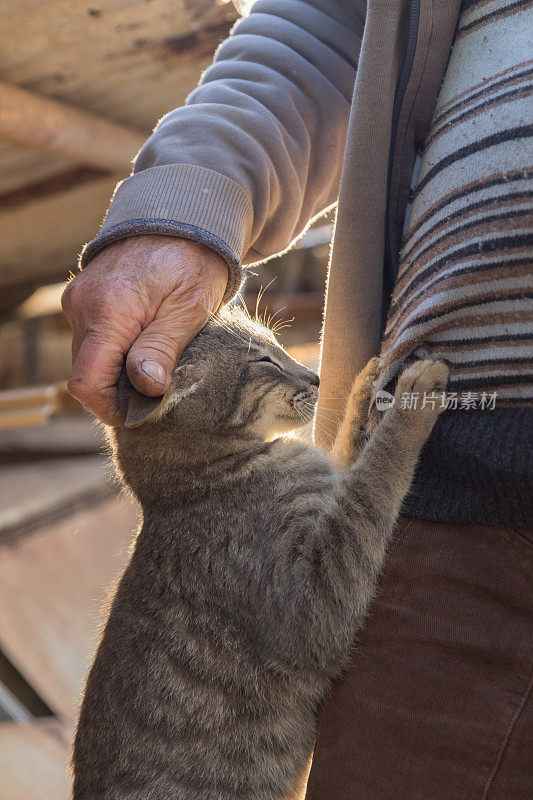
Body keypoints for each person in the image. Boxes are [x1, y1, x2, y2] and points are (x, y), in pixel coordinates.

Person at [62, 1, 533, 797]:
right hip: (465, 489)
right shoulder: (221, 503)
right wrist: (180, 209)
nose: (300, 380)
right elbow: (326, 23)